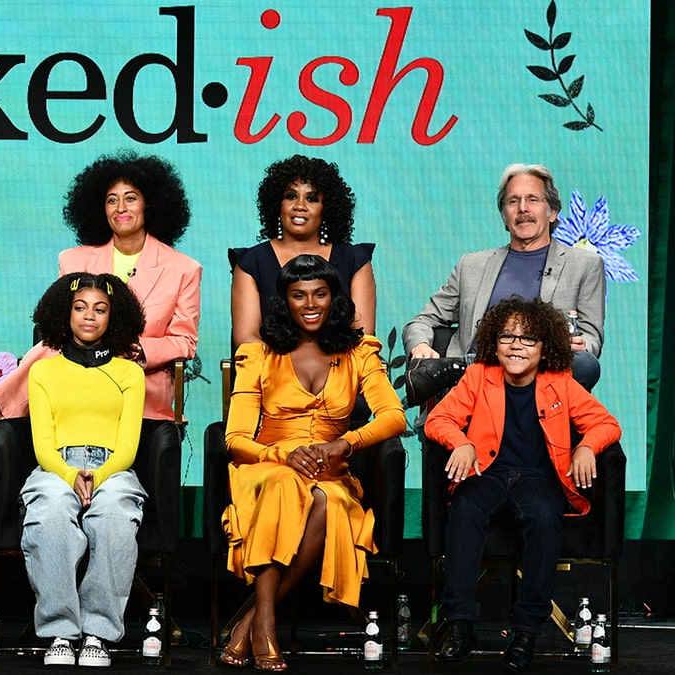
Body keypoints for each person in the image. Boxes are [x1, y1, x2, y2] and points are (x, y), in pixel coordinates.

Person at [0, 151, 201, 480]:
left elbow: (184, 341)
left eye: (131, 198)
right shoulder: (73, 260)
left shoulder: (183, 269)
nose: (121, 208)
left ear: (151, 203)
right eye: (111, 200)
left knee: (45, 351)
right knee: (49, 349)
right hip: (75, 374)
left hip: (138, 379)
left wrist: (138, 350)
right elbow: (61, 323)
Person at [220, 255, 405, 671]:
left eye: (320, 293)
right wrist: (283, 454)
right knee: (286, 486)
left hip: (329, 470)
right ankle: (265, 625)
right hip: (267, 467)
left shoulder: (358, 352)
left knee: (327, 500)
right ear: (283, 301)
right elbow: (234, 439)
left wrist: (347, 442)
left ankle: (251, 621)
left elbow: (394, 417)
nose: (310, 303)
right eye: (298, 295)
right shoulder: (259, 355)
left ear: (333, 298)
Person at [426, 296, 620, 673]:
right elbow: (439, 420)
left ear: (545, 345)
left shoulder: (560, 382)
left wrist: (586, 447)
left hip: (538, 478)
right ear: (493, 343)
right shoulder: (479, 376)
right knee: (465, 508)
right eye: (507, 337)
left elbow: (607, 424)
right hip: (487, 473)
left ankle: (527, 629)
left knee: (544, 516)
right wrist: (462, 442)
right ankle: (459, 622)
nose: (516, 345)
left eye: (528, 338)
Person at [20, 272, 147, 668]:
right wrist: (70, 475)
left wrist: (99, 476)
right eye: (80, 307)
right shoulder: (43, 371)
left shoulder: (130, 373)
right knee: (50, 513)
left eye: (100, 309)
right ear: (65, 313)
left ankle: (97, 633)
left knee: (114, 516)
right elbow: (43, 445)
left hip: (113, 468)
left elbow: (128, 447)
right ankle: (60, 631)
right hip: (56, 466)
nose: (89, 316)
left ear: (114, 317)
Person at [402, 163, 605, 403]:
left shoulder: (585, 264)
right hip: (475, 394)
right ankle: (473, 373)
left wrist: (582, 345)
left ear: (552, 212)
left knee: (585, 364)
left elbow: (592, 338)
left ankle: (460, 369)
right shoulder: (472, 265)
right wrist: (421, 345)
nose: (522, 209)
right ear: (504, 215)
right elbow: (422, 321)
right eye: (513, 201)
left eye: (532, 200)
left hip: (545, 385)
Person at [231, 155, 376, 347]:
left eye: (312, 198)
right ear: (277, 204)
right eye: (291, 196)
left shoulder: (354, 260)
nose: (300, 206)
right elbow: (247, 338)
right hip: (270, 373)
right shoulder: (251, 262)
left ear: (327, 208)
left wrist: (323, 369)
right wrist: (292, 369)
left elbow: (363, 335)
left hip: (342, 371)